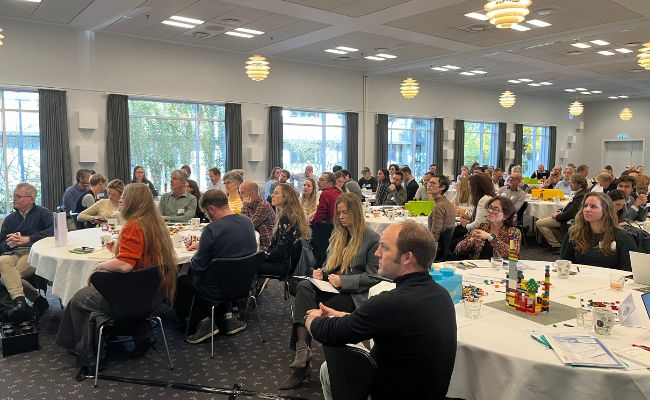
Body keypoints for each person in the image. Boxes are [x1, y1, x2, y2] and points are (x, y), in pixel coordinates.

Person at [307, 220, 456, 400]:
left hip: (390, 393)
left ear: (406, 257)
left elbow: (332, 333)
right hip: (429, 392)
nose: (377, 253)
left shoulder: (391, 302)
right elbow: (388, 324)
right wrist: (343, 316)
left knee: (328, 370)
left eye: (384, 248)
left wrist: (311, 319)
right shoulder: (441, 295)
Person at [56, 183, 178, 372]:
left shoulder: (133, 226)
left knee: (78, 300)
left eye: (124, 196)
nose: (120, 199)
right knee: (90, 297)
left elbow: (125, 264)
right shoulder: (156, 224)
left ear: (134, 201)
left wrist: (98, 267)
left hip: (130, 294)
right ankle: (139, 332)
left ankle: (88, 353)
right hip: (152, 294)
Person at [280, 193, 380, 389]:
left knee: (310, 306)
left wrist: (344, 281)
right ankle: (303, 349)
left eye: (346, 212)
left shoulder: (371, 238)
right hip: (332, 287)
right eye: (339, 213)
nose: (341, 217)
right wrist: (322, 272)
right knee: (304, 286)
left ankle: (302, 364)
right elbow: (330, 264)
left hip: (352, 295)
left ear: (356, 213)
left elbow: (373, 277)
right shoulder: (338, 234)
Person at [183, 190, 258, 343]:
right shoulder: (247, 221)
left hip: (217, 288)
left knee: (183, 283)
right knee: (223, 271)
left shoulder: (211, 230)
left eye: (206, 213)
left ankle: (203, 322)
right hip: (245, 284)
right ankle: (228, 317)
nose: (207, 217)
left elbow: (197, 266)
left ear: (211, 209)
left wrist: (203, 247)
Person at [0, 183, 53, 320]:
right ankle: (25, 302)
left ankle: (27, 301)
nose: (14, 199)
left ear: (31, 198)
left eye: (18, 196)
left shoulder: (43, 213)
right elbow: (1, 242)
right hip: (13, 252)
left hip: (33, 251)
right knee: (2, 263)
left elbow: (54, 231)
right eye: (14, 196)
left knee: (10, 276)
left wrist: (28, 239)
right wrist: (8, 243)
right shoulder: (10, 218)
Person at [560, 192, 637, 271]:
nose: (587, 209)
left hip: (610, 281)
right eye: (585, 206)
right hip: (580, 280)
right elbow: (564, 264)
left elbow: (630, 270)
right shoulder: (574, 233)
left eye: (593, 206)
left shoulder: (622, 236)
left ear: (606, 210)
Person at [257, 183, 311, 277]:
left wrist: (262, 256)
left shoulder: (286, 217)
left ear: (285, 198)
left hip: (283, 265)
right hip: (286, 261)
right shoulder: (291, 214)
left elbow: (280, 250)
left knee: (248, 265)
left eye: (276, 193)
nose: (272, 195)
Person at [536, 175, 590, 251]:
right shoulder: (581, 193)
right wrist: (559, 211)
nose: (570, 184)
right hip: (566, 217)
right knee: (546, 223)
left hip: (568, 219)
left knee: (539, 223)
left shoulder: (581, 195)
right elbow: (569, 208)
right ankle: (560, 241)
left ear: (579, 184)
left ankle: (555, 245)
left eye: (572, 183)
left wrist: (557, 216)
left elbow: (571, 213)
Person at [455, 197, 521, 260]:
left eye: (496, 209)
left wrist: (490, 238)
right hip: (478, 268)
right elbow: (458, 250)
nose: (490, 211)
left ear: (506, 216)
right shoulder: (482, 227)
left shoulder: (513, 232)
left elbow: (513, 255)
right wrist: (470, 241)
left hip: (501, 269)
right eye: (490, 207)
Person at [240, 180, 276, 250]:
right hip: (256, 242)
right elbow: (242, 224)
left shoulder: (263, 205)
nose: (240, 195)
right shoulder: (249, 204)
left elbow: (247, 226)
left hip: (266, 246)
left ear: (253, 194)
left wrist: (244, 207)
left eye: (242, 192)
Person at [428, 174, 456, 246]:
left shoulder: (439, 206)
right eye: (429, 182)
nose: (429, 185)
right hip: (443, 246)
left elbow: (435, 236)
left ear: (443, 187)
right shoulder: (446, 202)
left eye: (433, 183)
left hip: (437, 248)